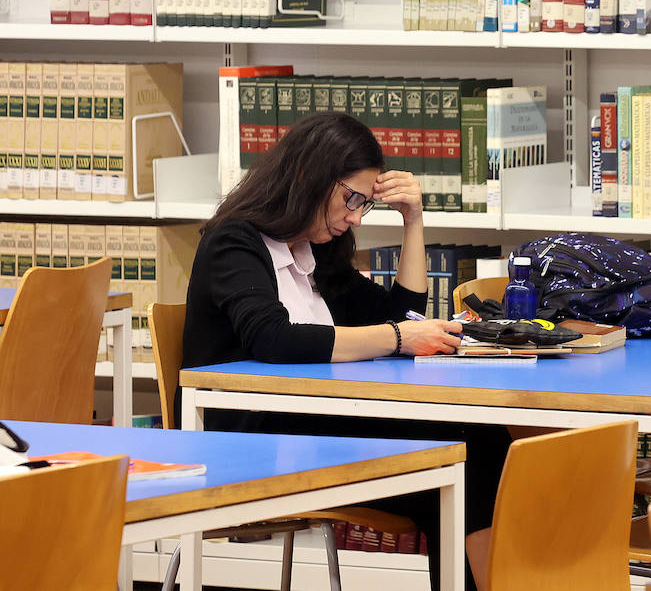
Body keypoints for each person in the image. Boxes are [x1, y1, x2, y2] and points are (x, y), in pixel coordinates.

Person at [182, 111, 506, 589]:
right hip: (252, 439)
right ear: (307, 177)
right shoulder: (234, 242)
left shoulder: (314, 249)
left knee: (476, 443)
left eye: (364, 204)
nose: (355, 217)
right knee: (463, 455)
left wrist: (413, 221)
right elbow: (273, 337)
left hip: (309, 422)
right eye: (351, 198)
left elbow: (400, 313)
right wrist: (399, 338)